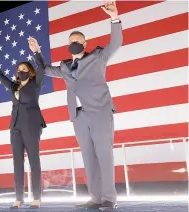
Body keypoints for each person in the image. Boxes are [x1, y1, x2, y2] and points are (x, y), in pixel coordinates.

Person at [30, 0, 122, 210]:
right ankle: (95, 198)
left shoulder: (98, 57)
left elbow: (115, 43)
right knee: (88, 157)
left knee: (104, 155)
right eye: (71, 41)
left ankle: (109, 199)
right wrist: (37, 52)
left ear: (84, 44)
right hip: (78, 116)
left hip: (100, 112)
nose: (74, 43)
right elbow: (44, 69)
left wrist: (114, 18)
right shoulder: (63, 67)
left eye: (78, 40)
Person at [0, 48, 46, 209]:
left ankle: (37, 197)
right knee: (17, 162)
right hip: (15, 127)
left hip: (32, 126)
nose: (21, 72)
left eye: (24, 70)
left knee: (34, 161)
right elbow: (0, 76)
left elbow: (42, 67)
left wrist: (37, 52)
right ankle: (19, 198)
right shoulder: (13, 86)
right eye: (19, 70)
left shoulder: (36, 84)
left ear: (30, 72)